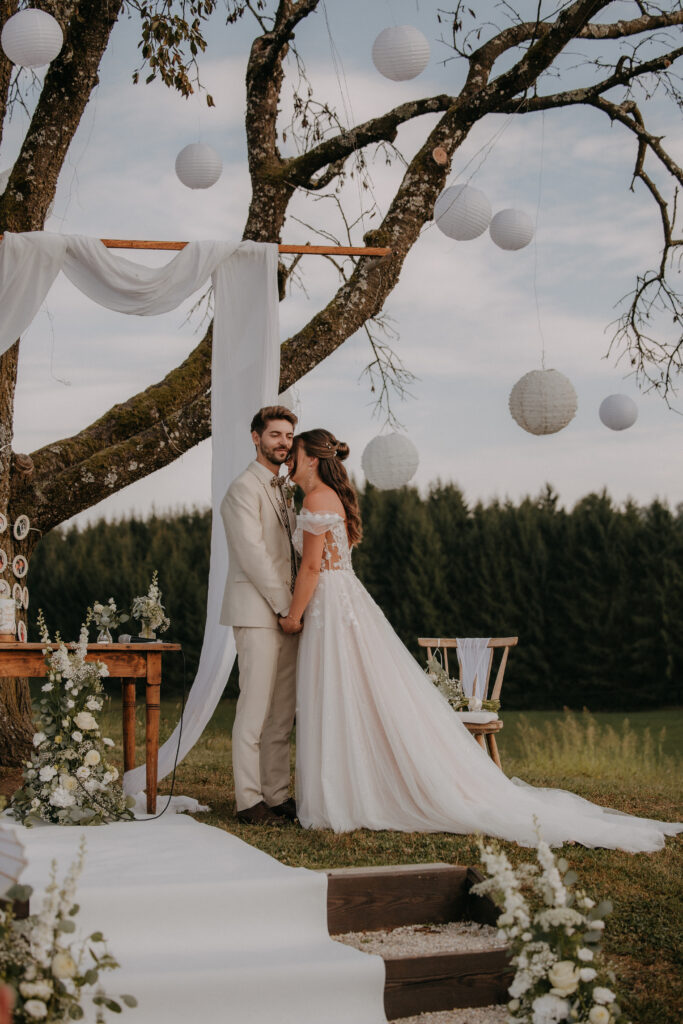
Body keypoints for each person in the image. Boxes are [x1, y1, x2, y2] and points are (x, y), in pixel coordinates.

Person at [279, 428, 682, 852]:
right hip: (343, 602)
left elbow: (310, 569)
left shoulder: (317, 498)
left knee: (339, 694)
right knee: (349, 695)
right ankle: (353, 786)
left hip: (330, 604)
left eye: (295, 452)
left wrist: (292, 616)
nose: (290, 458)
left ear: (310, 458)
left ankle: (349, 793)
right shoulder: (326, 497)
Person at [220, 406, 301, 826]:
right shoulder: (241, 490)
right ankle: (249, 801)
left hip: (289, 614)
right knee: (254, 711)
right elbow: (253, 558)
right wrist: (287, 608)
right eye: (275, 435)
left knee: (282, 712)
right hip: (256, 612)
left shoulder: (284, 488)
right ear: (256, 438)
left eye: (288, 435)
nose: (283, 442)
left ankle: (277, 793)